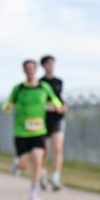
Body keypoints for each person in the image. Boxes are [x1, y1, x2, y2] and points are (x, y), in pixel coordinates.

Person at [3, 59, 64, 200]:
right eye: (27, 68)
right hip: (21, 131)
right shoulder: (18, 88)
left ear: (35, 70)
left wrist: (58, 106)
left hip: (38, 130)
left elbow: (55, 100)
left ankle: (33, 194)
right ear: (24, 71)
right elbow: (7, 103)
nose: (30, 71)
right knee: (24, 165)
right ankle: (18, 162)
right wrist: (7, 107)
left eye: (32, 68)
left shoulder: (44, 87)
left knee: (38, 159)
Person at [40, 54, 67, 190]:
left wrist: (63, 107)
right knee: (44, 150)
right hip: (44, 119)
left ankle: (56, 178)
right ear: (43, 66)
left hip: (57, 119)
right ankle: (42, 175)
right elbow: (40, 102)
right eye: (48, 64)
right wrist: (51, 107)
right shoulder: (40, 83)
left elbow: (61, 98)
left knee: (58, 148)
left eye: (52, 64)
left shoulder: (59, 82)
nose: (51, 66)